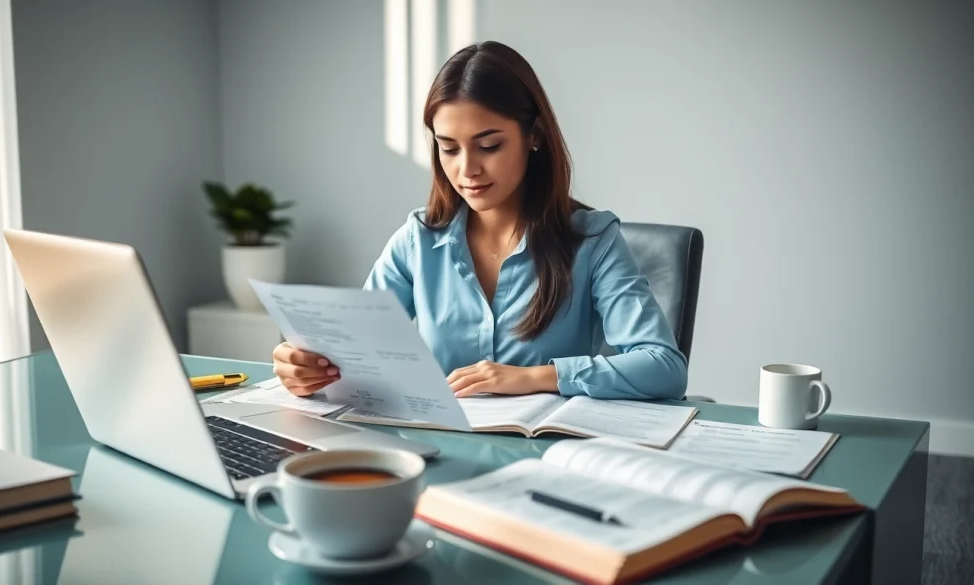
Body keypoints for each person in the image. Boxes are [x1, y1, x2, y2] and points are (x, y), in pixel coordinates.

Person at [273, 41, 687, 401]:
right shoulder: (418, 239)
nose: (467, 169)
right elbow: (353, 353)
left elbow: (664, 367)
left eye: (489, 145)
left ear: (535, 136)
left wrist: (533, 378)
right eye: (449, 149)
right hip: (437, 453)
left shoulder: (593, 240)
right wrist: (307, 367)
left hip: (546, 461)